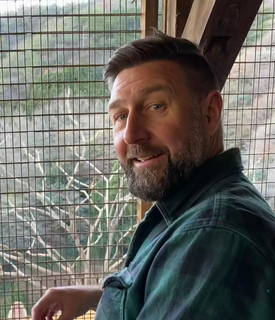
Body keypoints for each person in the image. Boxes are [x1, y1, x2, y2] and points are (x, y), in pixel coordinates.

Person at [32, 30, 275, 320]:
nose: (132, 134)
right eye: (120, 116)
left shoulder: (214, 234)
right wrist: (98, 297)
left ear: (209, 112)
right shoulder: (192, 207)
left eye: (155, 106)